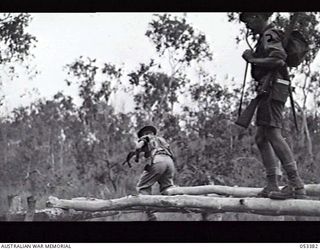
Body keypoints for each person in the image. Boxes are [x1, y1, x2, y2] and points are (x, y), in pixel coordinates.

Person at [239, 12, 306, 199]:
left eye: (249, 20)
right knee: (261, 137)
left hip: (273, 86)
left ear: (258, 17)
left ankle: (296, 184)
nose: (248, 26)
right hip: (267, 87)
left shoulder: (270, 34)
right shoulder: (264, 37)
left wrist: (252, 59)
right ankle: (272, 184)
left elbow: (278, 58)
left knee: (272, 133)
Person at [134, 125, 175, 220]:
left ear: (144, 134)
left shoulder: (146, 137)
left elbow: (138, 147)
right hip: (170, 162)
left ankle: (151, 215)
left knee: (142, 187)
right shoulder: (161, 140)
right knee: (167, 188)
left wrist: (136, 156)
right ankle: (186, 203)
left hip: (158, 160)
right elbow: (171, 153)